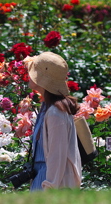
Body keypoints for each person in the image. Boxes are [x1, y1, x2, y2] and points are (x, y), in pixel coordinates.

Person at [23, 52, 82, 191]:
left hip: (50, 181)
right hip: (43, 177)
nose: (28, 75)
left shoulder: (55, 113)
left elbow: (57, 156)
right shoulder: (47, 107)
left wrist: (49, 188)